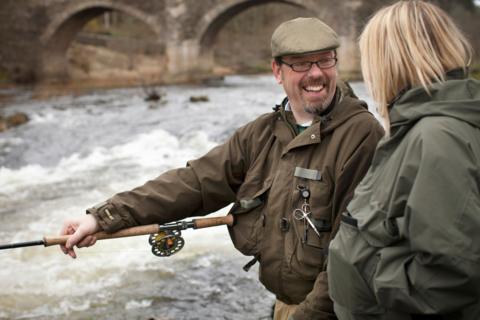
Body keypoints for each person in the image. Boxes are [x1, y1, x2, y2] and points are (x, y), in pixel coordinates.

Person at [60, 17, 384, 320]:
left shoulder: (362, 134)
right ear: (277, 71)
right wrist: (101, 217)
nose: (315, 73)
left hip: (335, 310)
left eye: (325, 60)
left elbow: (352, 255)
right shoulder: (262, 132)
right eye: (301, 63)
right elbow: (195, 182)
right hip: (288, 306)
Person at [327, 1, 480, 320]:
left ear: (390, 61)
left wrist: (362, 269)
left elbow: (449, 278)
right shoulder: (418, 129)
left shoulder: (437, 137)